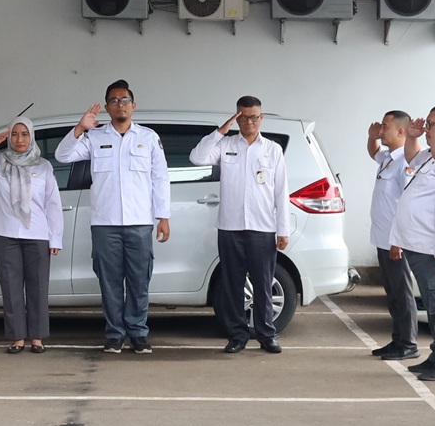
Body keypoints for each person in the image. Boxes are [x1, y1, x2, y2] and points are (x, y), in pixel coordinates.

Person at [55, 80, 171, 354]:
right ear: (107, 107)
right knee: (109, 282)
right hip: (105, 224)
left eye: (125, 100)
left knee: (139, 281)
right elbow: (62, 155)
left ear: (134, 105)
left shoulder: (148, 137)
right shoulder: (94, 137)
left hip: (139, 222)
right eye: (114, 100)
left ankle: (138, 333)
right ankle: (115, 334)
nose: (120, 105)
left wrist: (163, 216)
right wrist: (80, 128)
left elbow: (160, 178)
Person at [192, 97, 291, 354]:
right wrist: (220, 131)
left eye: (254, 117)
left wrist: (283, 230)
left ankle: (267, 335)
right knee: (233, 284)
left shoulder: (272, 150)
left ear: (261, 117)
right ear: (237, 117)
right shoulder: (225, 145)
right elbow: (197, 157)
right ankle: (237, 335)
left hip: (262, 228)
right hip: (230, 227)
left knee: (263, 284)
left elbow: (281, 192)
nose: (249, 122)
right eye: (244, 117)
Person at [0, 115, 63, 354]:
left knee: (38, 287)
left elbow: (52, 204)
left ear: (31, 136)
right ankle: (17, 337)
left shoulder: (43, 166)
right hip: (5, 234)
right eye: (14, 134)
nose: (19, 139)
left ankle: (37, 337)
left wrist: (55, 237)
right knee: (11, 286)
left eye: (24, 134)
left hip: (37, 233)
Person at [388, 107, 435, 381]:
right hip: (416, 244)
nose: (428, 130)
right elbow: (410, 157)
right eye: (428, 124)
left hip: (432, 245)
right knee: (433, 304)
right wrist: (412, 136)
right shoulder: (428, 156)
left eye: (432, 125)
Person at [367, 112, 420, 360]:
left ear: (401, 131)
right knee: (392, 293)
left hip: (395, 241)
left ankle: (408, 343)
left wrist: (399, 240)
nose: (381, 130)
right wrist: (371, 137)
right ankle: (398, 340)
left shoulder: (404, 162)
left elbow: (407, 203)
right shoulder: (389, 157)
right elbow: (373, 152)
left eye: (385, 127)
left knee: (402, 292)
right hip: (382, 238)